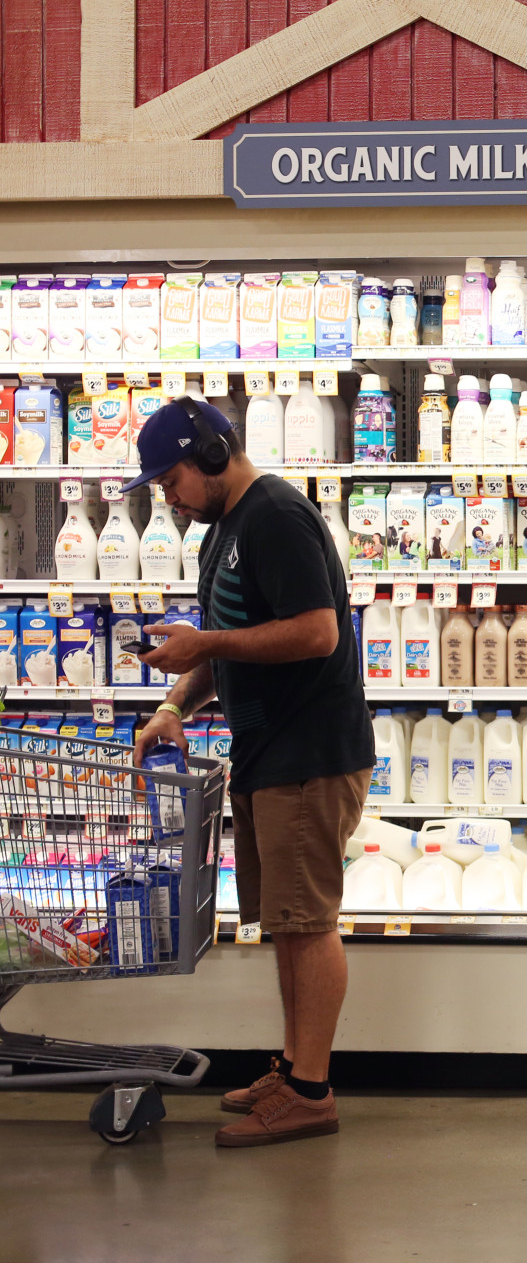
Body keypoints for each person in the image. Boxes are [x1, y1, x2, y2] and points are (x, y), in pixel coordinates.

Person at [128, 397, 374, 1148]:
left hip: (309, 752)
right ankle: (295, 1066)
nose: (167, 495)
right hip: (268, 754)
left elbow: (315, 631)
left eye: (170, 479)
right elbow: (232, 640)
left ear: (208, 454)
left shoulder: (275, 515)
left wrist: (205, 642)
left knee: (309, 923)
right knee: (285, 926)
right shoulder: (225, 528)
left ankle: (310, 1090)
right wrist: (177, 701)